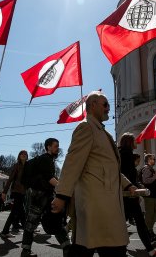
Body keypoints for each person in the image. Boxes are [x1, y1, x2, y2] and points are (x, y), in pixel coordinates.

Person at [51, 91, 135, 257]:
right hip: (95, 206)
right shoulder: (86, 127)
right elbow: (72, 163)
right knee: (108, 248)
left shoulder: (103, 133)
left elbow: (111, 168)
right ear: (92, 105)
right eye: (105, 104)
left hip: (107, 205)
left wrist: (128, 184)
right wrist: (61, 195)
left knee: (95, 248)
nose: (108, 108)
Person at [20, 138, 70, 257]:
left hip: (40, 196)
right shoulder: (46, 159)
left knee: (33, 223)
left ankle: (25, 251)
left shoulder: (47, 159)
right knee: (54, 222)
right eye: (55, 146)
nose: (57, 148)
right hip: (42, 196)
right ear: (48, 147)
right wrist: (63, 189)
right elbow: (50, 179)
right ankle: (67, 248)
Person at [119, 132, 156, 256]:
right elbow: (127, 175)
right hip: (129, 193)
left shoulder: (122, 154)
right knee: (139, 223)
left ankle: (123, 248)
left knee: (126, 222)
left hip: (127, 193)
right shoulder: (126, 155)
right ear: (129, 142)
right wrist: (134, 189)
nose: (136, 142)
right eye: (134, 141)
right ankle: (150, 250)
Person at [0, 150, 27, 238]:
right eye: (22, 154)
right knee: (16, 211)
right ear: (19, 156)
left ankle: (27, 231)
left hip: (23, 192)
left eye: (25, 154)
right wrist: (4, 192)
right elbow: (10, 179)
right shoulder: (16, 166)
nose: (23, 155)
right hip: (16, 191)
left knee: (22, 212)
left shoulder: (27, 166)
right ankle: (5, 231)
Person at [140, 153, 156, 242]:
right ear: (149, 160)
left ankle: (149, 231)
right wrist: (155, 177)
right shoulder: (146, 168)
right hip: (149, 195)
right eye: (153, 159)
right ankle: (148, 233)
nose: (154, 160)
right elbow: (146, 180)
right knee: (150, 214)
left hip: (152, 195)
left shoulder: (150, 169)